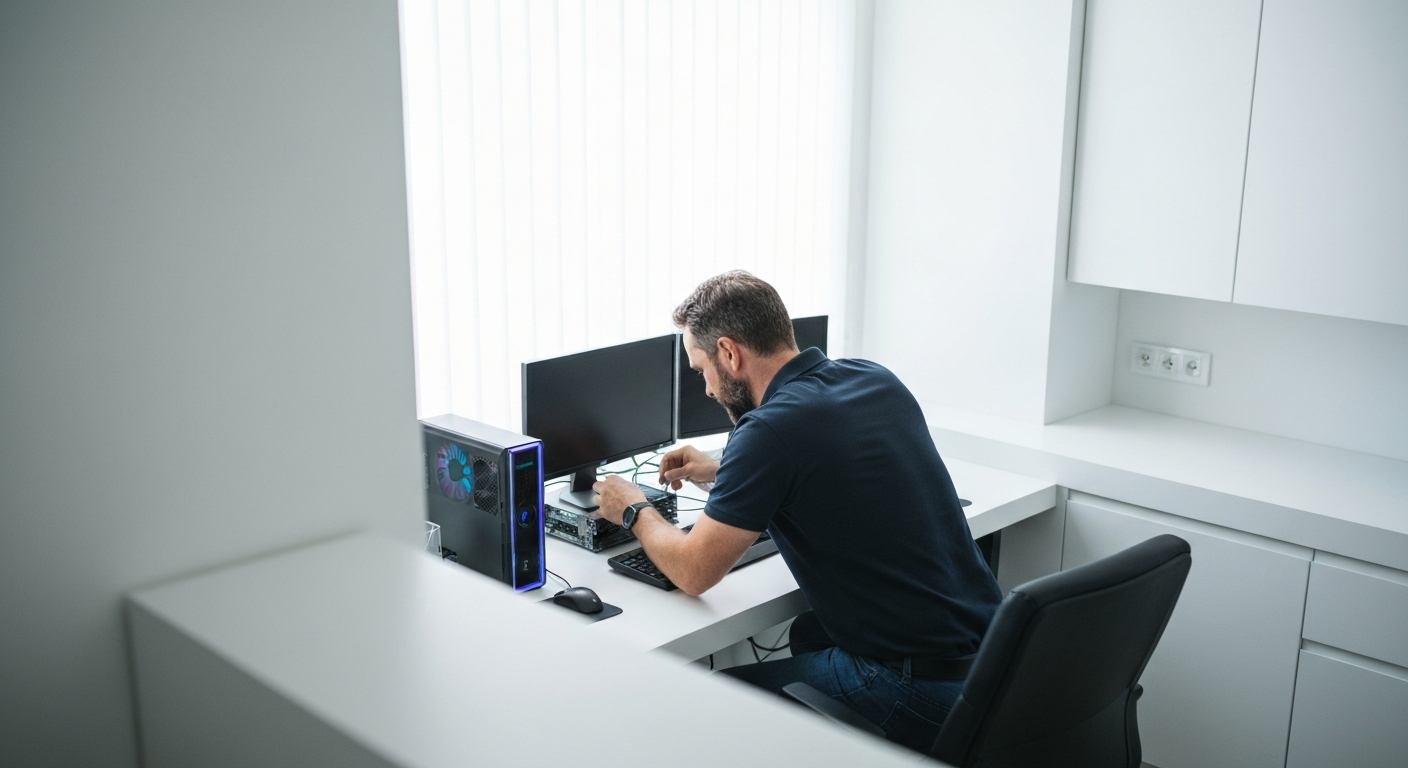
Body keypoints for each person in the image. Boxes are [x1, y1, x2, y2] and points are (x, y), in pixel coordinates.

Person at [591, 270, 1001, 753]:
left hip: (915, 686)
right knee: (809, 633)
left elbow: (694, 572)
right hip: (993, 668)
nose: (706, 389)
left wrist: (633, 509)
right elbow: (825, 463)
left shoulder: (768, 433)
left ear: (729, 353)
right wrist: (723, 469)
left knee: (703, 701)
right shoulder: (872, 378)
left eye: (701, 370)